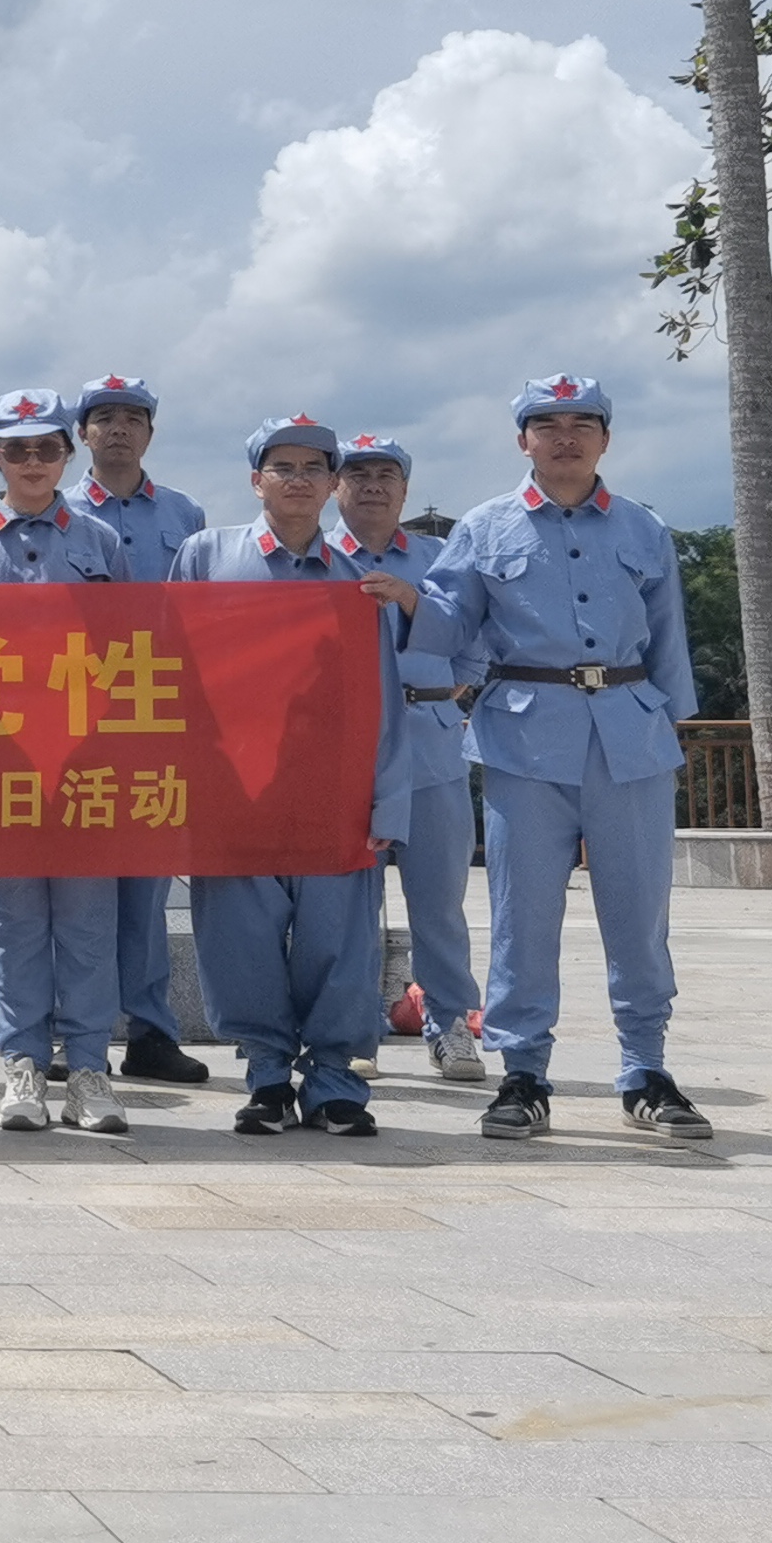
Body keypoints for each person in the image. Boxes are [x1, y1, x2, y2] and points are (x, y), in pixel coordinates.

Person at [412, 377, 712, 1143]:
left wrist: (677, 718)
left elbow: (666, 630)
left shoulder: (644, 528)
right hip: (524, 735)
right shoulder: (483, 528)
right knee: (524, 913)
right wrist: (407, 613)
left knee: (639, 910)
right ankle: (523, 1072)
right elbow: (447, 623)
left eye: (584, 424)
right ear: (523, 441)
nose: (567, 437)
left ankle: (646, 1067)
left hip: (631, 733)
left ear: (606, 439)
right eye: (548, 425)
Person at [176, 418, 400, 1141]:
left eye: (313, 467)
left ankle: (335, 1081)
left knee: (339, 944)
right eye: (282, 466)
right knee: (239, 941)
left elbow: (385, 698)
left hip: (333, 792)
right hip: (235, 787)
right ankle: (268, 1075)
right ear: (256, 480)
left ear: (335, 484)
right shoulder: (207, 556)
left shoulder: (358, 579)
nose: (298, 478)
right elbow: (172, 675)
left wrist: (386, 795)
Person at [0, 389, 135, 1136]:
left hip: (83, 756)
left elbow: (127, 653)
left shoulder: (100, 542)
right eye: (16, 449)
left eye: (47, 449)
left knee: (87, 920)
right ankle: (21, 1065)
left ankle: (88, 1068)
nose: (32, 461)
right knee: (15, 919)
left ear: (69, 454)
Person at [70, 374, 213, 1089]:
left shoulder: (186, 516)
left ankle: (151, 1030)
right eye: (104, 418)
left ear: (151, 433)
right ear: (82, 434)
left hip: (155, 721)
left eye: (133, 418)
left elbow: (208, 622)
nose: (119, 429)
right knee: (74, 885)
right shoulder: (56, 514)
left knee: (147, 890)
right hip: (70, 726)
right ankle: (75, 1028)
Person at [332, 432, 483, 1081]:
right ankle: (351, 1028)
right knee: (345, 903)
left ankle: (450, 1024)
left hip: (429, 742)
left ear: (404, 488)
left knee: (439, 900)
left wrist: (443, 692)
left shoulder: (441, 557)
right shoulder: (313, 559)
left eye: (385, 474)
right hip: (340, 752)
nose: (371, 484)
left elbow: (477, 639)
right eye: (356, 473)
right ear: (336, 485)